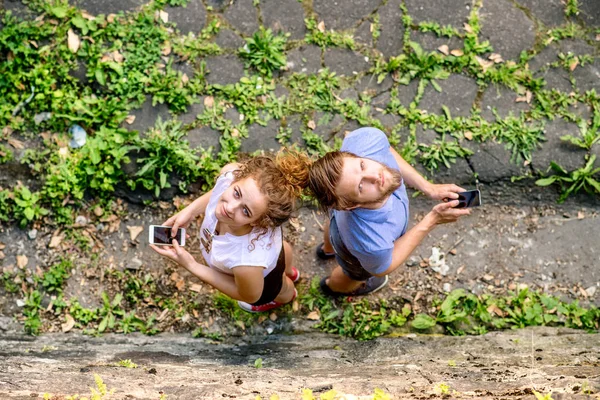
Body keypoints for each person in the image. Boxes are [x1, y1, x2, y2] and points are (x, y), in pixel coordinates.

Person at [308, 127, 471, 296]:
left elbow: (386, 149)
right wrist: (432, 219)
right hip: (353, 248)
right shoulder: (371, 244)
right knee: (352, 275)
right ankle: (332, 287)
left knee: (334, 223)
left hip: (338, 220)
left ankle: (327, 249)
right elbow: (383, 267)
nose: (375, 176)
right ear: (351, 206)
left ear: (355, 155)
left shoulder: (365, 142)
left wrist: (428, 187)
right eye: (361, 186)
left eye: (362, 165)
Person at [150, 149, 310, 312]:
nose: (230, 207)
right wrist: (190, 211)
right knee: (281, 251)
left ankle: (288, 294)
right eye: (236, 193)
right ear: (236, 180)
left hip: (263, 279)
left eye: (246, 211)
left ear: (258, 223)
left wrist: (191, 265)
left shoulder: (247, 260)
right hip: (272, 252)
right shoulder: (230, 175)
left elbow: (250, 296)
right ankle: (290, 270)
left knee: (280, 285)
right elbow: (217, 191)